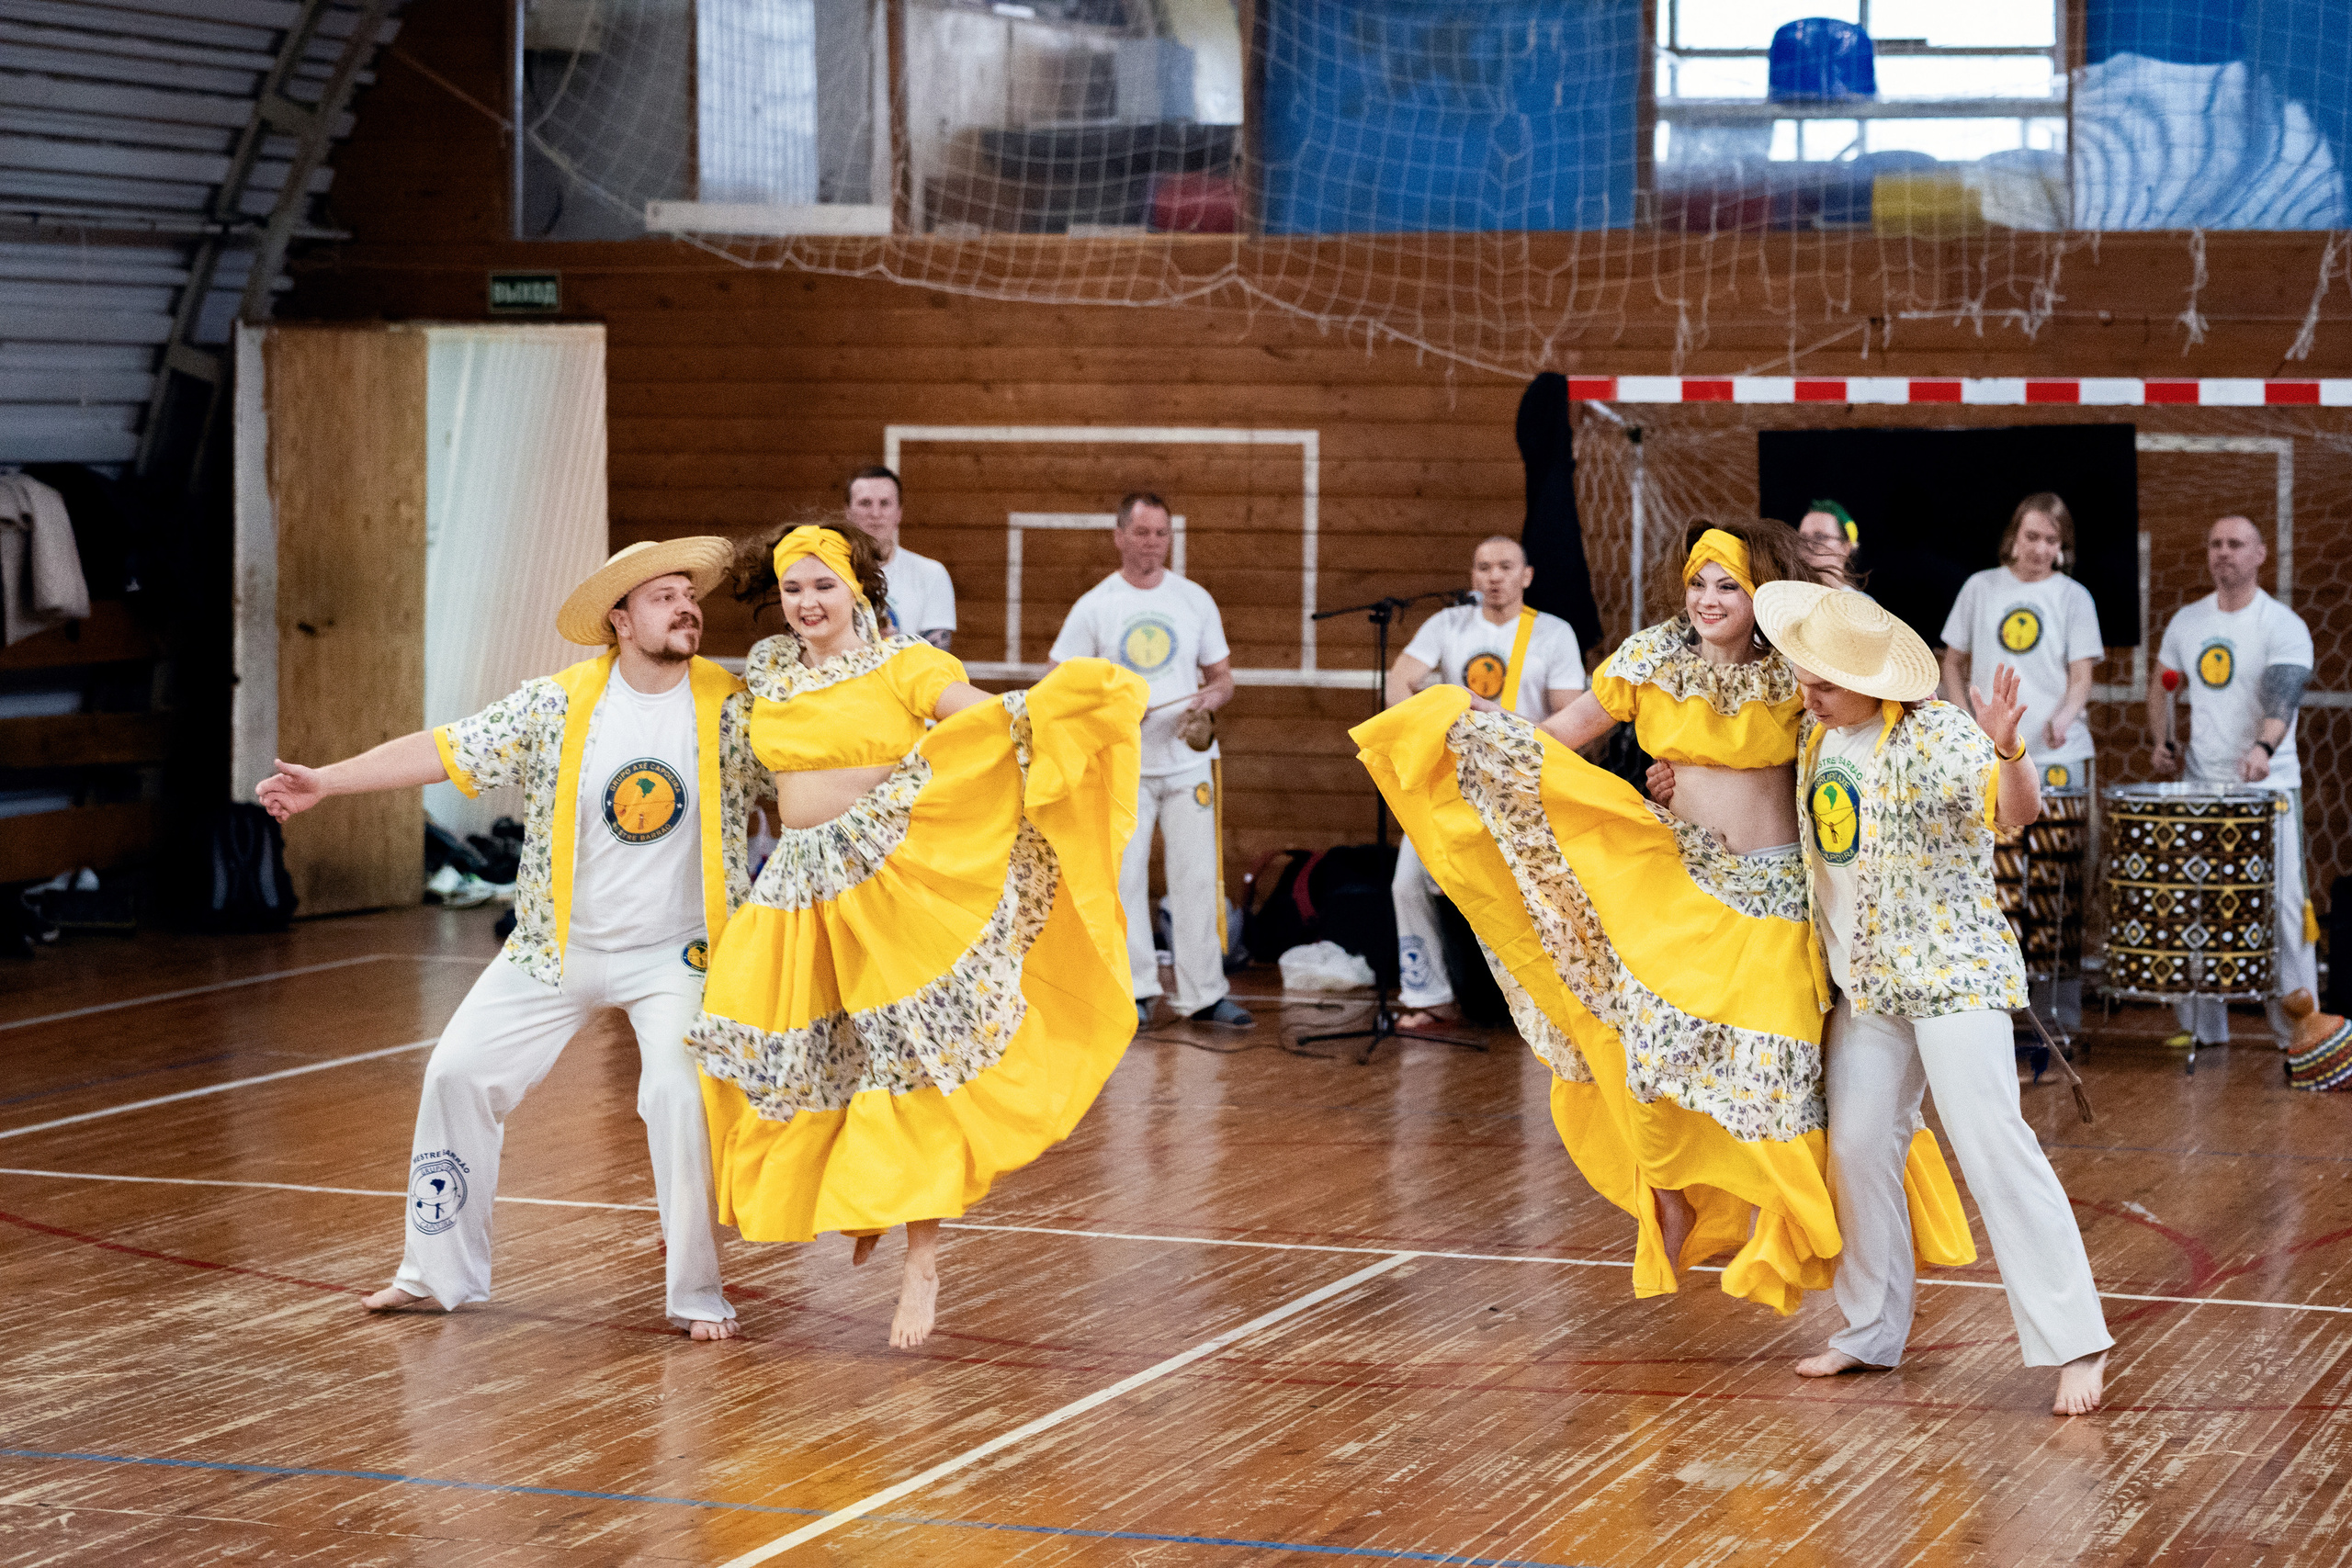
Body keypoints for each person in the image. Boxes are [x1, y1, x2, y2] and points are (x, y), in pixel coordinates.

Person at [1356, 519, 1973, 1315]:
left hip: (1777, 899)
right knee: (1645, 1051)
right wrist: (1475, 740)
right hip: (1676, 883)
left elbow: (1865, 735)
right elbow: (1557, 740)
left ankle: (1792, 1231)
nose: (1709, 599)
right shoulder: (1650, 658)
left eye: (1730, 585)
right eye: (1699, 583)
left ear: (1762, 596)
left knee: (1777, 1077)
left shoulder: (1798, 673)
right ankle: (1670, 1195)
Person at [255, 538, 763, 1341]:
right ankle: (434, 1272)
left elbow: (828, 757)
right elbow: (443, 749)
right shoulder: (555, 704)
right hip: (554, 947)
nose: (687, 605)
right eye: (664, 596)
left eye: (689, 593)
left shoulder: (738, 705)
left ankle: (696, 1292)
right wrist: (327, 780)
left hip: (680, 953)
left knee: (677, 1094)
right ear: (620, 619)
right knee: (456, 1072)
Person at [685, 522, 1145, 1349]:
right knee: (776, 1054)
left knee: (910, 1064)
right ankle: (846, 1198)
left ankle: (921, 1259)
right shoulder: (770, 673)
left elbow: (992, 726)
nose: (807, 602)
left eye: (823, 585)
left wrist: (1067, 709)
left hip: (889, 884)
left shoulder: (909, 666)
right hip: (794, 890)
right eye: (793, 589)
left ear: (859, 587)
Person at [1752, 581, 2112, 1416]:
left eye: (1827, 681)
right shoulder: (1817, 740)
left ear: (1875, 682)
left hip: (1952, 980)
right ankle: (1870, 1329)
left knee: (1991, 1143)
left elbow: (2015, 816)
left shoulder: (1935, 733)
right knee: (1859, 1146)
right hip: (1868, 987)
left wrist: (2010, 750)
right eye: (1809, 676)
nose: (1810, 691)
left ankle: (2077, 1340)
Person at [1047, 491, 1249, 1029]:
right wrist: (1104, 711)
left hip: (1187, 764)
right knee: (1125, 880)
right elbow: (1058, 680)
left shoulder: (1194, 600)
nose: (1152, 544)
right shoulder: (1097, 605)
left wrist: (1208, 700)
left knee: (1197, 878)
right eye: (1141, 533)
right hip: (1122, 767)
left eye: (1161, 534)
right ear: (1119, 536)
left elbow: (1223, 677)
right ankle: (1134, 991)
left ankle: (1204, 994)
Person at [1383, 536, 1585, 1028]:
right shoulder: (1447, 624)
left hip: (1522, 787)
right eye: (1483, 567)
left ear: (1526, 576)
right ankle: (1428, 995)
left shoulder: (1553, 633)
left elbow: (1572, 715)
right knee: (1407, 882)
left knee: (1529, 895)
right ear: (1473, 576)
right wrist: (1417, 726)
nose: (1493, 576)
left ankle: (1544, 1007)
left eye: (1504, 566)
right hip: (1452, 781)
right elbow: (1398, 679)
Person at [2148, 513, 2319, 1050]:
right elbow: (2162, 688)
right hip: (2202, 785)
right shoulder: (2186, 622)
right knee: (2196, 901)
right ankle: (2203, 1027)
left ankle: (2301, 1029)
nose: (2224, 552)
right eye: (2215, 543)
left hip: (2268, 791)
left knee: (2284, 904)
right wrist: (2163, 741)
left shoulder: (2281, 624)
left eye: (2236, 544)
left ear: (2260, 555)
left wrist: (2264, 748)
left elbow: (2282, 697)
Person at [1939, 492, 2105, 1029]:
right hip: (1989, 752)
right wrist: (1967, 720)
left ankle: (2058, 1011)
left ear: (2063, 549)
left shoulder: (2073, 597)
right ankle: (1991, 1007)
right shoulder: (1980, 588)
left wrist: (2063, 716)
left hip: (2057, 755)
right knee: (1995, 876)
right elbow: (1953, 662)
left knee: (2057, 879)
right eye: (2031, 536)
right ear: (2013, 538)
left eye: (2051, 540)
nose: (2039, 548)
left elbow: (2081, 674)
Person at [846, 465, 956, 650]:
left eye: (885, 503)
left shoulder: (931, 574)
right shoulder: (827, 572)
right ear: (848, 512)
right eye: (865, 503)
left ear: (899, 514)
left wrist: (891, 647)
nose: (875, 514)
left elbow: (936, 657)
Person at [1797, 501, 1861, 591]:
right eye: (1803, 538)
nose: (1808, 546)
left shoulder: (1860, 603)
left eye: (1820, 537)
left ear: (1846, 547)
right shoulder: (1783, 597)